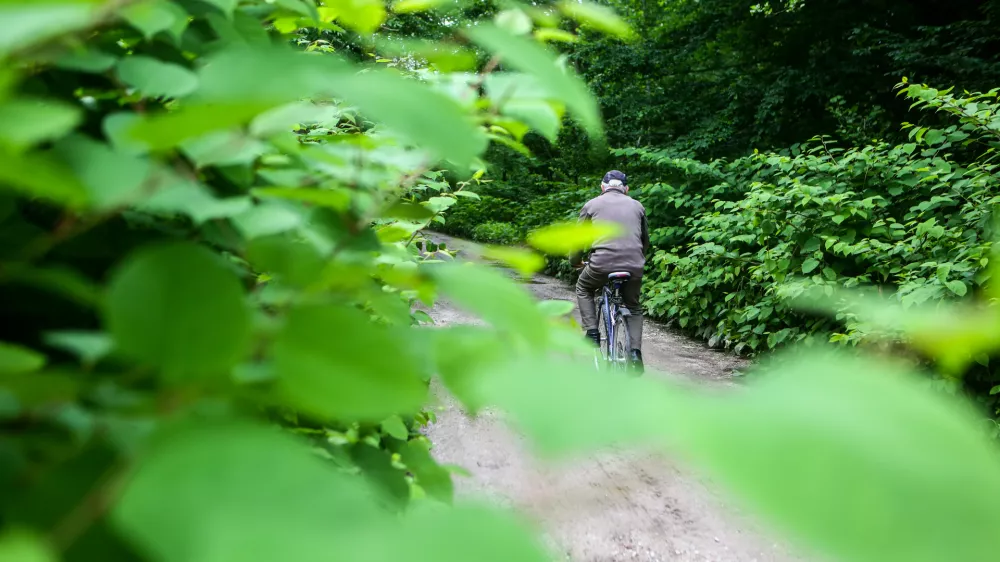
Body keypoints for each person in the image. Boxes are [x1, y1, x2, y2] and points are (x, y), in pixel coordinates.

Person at [570, 170, 650, 372]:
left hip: (601, 264)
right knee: (633, 307)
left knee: (584, 287)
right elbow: (644, 241)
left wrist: (576, 261)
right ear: (626, 189)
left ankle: (592, 333)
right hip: (633, 265)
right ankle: (634, 354)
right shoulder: (637, 206)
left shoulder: (592, 205)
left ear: (602, 187)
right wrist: (637, 261)